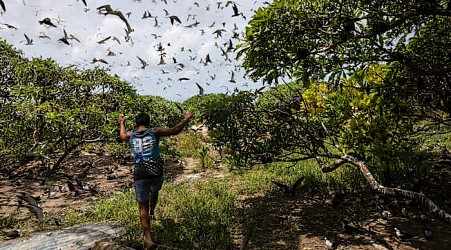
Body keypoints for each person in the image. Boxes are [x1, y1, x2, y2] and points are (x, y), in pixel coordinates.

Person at [118, 111, 194, 249]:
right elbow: (175, 130)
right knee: (155, 191)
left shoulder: (131, 135)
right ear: (148, 123)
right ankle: (152, 211)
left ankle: (148, 239)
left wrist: (121, 122)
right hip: (156, 172)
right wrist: (185, 119)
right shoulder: (155, 131)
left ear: (136, 124)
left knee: (142, 206)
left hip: (140, 173)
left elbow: (122, 135)